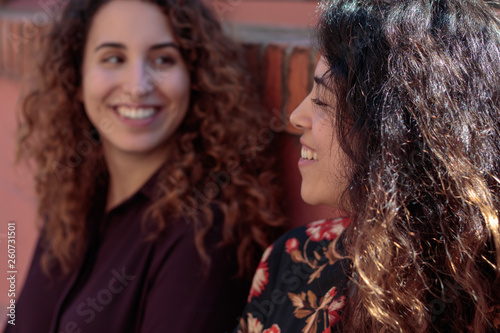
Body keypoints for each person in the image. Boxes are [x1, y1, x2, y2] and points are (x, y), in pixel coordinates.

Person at [9, 0, 284, 332]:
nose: (138, 86)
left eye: (163, 60)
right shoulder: (72, 201)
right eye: (113, 58)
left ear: (194, 78)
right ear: (76, 76)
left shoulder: (203, 234)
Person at [235, 0, 500, 332]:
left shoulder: (482, 299)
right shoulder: (297, 260)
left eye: (322, 101)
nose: (296, 117)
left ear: (399, 131)